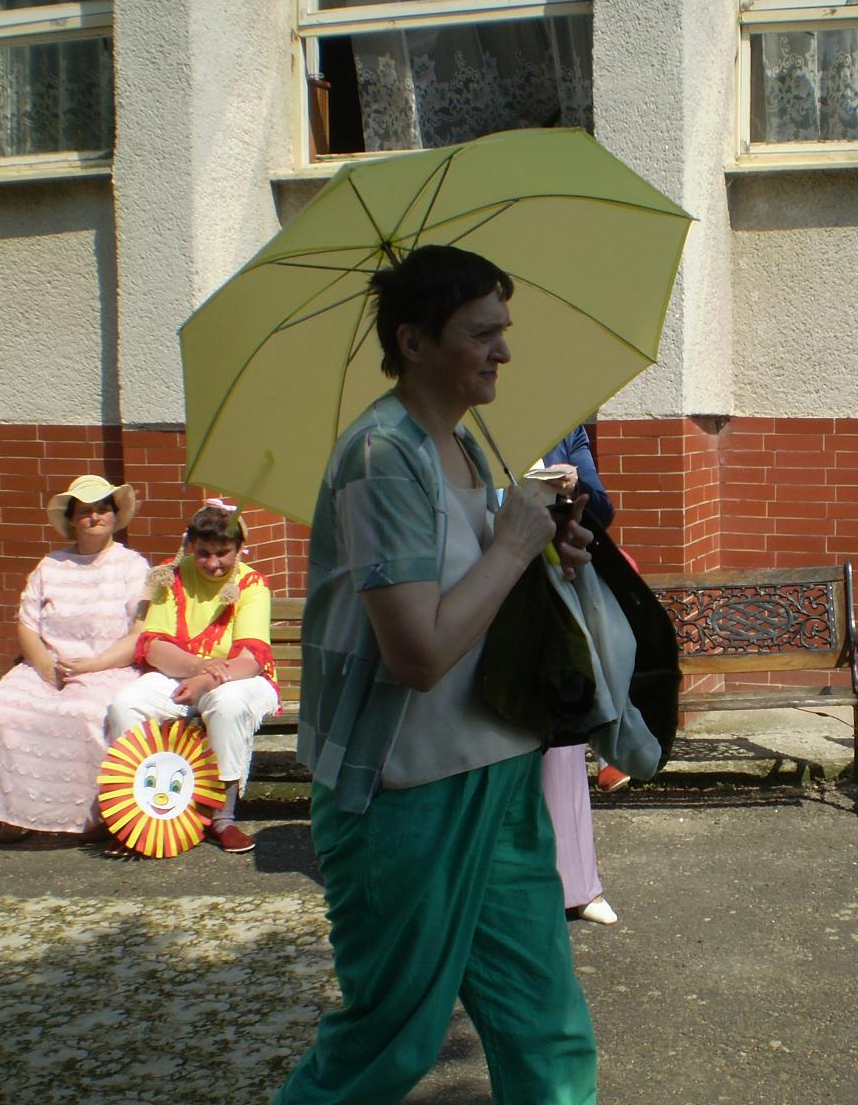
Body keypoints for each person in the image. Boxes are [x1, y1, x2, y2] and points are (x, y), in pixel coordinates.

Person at [277, 245, 598, 1103]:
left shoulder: (464, 449)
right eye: (481, 333)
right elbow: (418, 654)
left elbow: (476, 600)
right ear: (414, 341)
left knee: (546, 1026)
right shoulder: (382, 455)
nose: (504, 351)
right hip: (405, 794)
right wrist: (512, 546)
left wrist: (547, 558)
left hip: (496, 769)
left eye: (504, 329)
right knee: (391, 1040)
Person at [0, 475, 150, 843]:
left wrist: (93, 666)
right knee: (5, 706)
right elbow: (27, 625)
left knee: (86, 712)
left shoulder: (131, 565)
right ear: (71, 520)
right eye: (85, 511)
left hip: (108, 666)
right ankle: (17, 813)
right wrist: (45, 667)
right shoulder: (50, 565)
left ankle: (94, 816)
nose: (94, 517)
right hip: (48, 666)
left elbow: (139, 633)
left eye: (103, 509)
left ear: (115, 515)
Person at [105, 503, 278, 854]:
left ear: (239, 549)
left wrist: (208, 681)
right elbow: (154, 647)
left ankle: (223, 818)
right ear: (190, 547)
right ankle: (140, 814)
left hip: (241, 680)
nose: (213, 563)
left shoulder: (252, 584)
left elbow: (250, 661)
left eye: (223, 553)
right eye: (203, 554)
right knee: (126, 704)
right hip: (185, 672)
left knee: (227, 704)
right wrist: (201, 669)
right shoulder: (170, 576)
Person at [539, 425, 619, 923]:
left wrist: (573, 488)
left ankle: (577, 885)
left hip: (552, 594)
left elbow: (603, 510)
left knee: (562, 747)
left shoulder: (564, 431)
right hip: (486, 590)